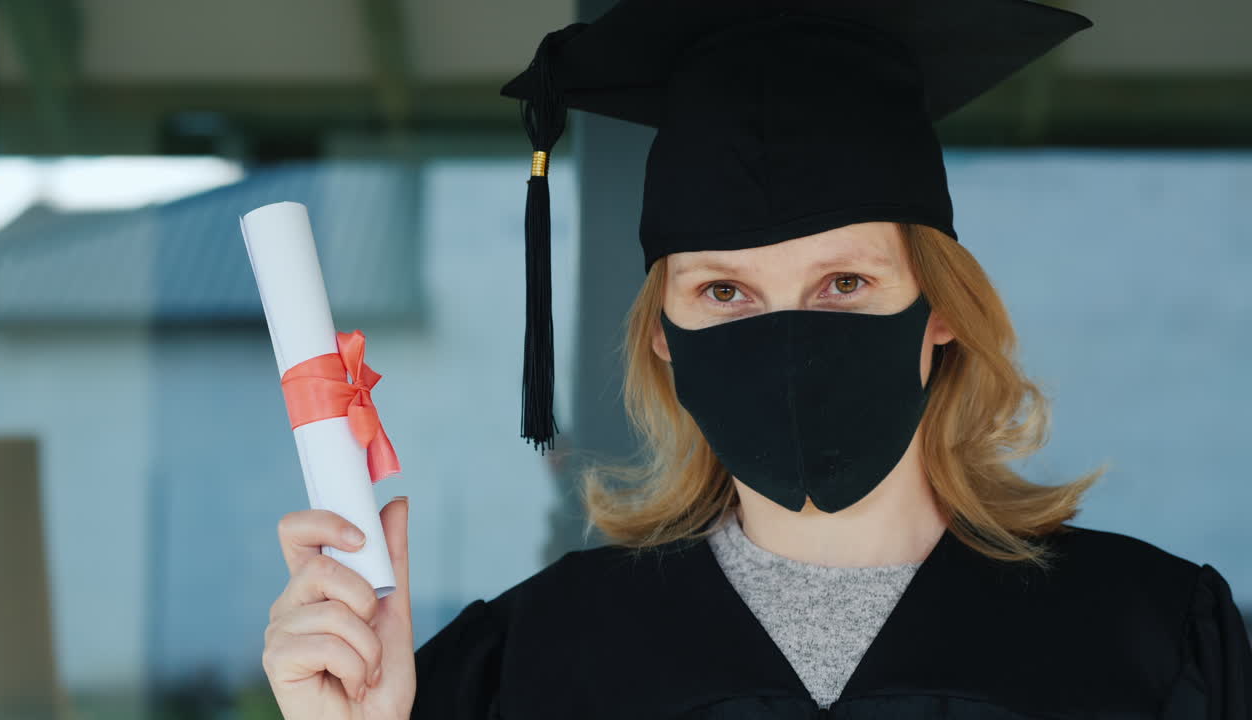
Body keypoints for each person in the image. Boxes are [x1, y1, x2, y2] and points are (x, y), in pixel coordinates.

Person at [261, 1, 1252, 718]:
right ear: (663, 334)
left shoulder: (1150, 639)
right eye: (723, 292)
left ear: (940, 310)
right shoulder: (526, 664)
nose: (786, 340)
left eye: (844, 283)